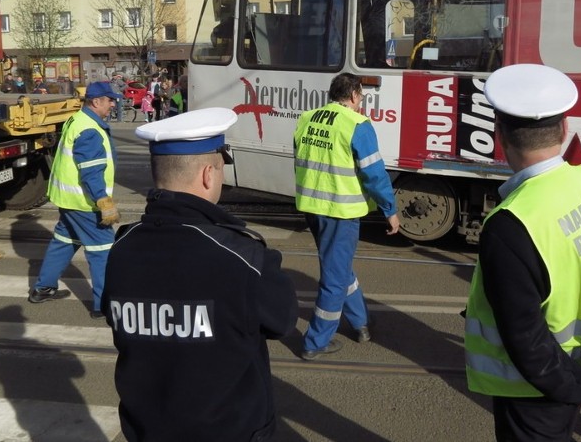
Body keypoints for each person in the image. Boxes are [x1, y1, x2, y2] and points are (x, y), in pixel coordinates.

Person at [102, 108, 298, 441]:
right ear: (208, 174)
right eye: (221, 170)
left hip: (147, 430)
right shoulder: (243, 256)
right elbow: (284, 320)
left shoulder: (122, 248)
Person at [464, 64, 581, 442]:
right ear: (565, 129)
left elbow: (526, 340)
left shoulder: (510, 224)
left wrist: (579, 388)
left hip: (535, 388)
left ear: (498, 135)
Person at [294, 72, 400, 360]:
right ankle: (314, 342)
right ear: (353, 95)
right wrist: (390, 210)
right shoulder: (357, 125)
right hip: (340, 212)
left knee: (338, 268)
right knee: (334, 277)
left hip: (312, 208)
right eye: (361, 98)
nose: (361, 103)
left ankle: (360, 322)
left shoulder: (307, 118)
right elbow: (374, 175)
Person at [28, 81, 122, 319]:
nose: (113, 104)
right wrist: (103, 201)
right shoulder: (90, 130)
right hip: (85, 203)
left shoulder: (77, 119)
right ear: (96, 101)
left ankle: (43, 288)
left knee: (64, 242)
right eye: (109, 100)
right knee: (102, 251)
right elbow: (90, 170)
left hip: (69, 200)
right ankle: (104, 305)